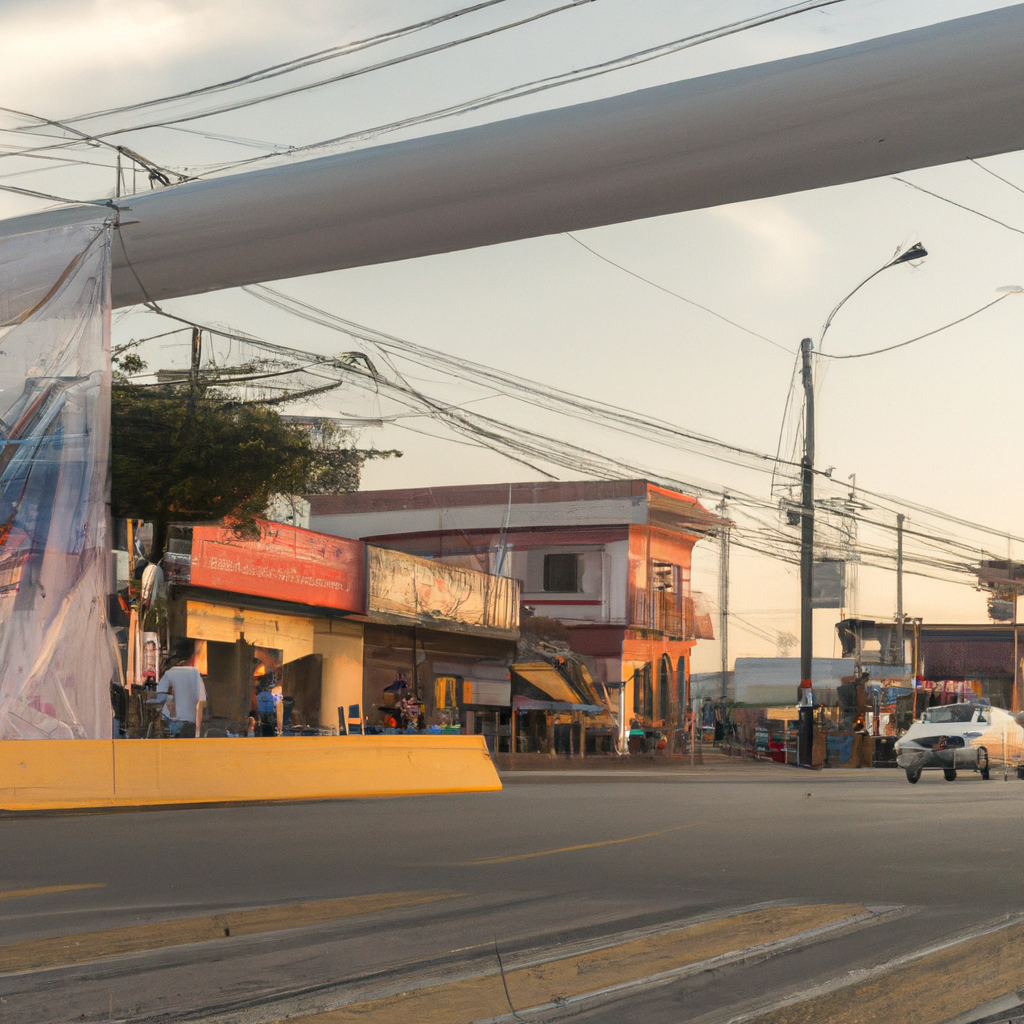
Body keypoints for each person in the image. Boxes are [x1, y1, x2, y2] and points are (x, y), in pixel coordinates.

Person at [157, 654, 207, 738]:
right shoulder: (195, 674)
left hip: (172, 718)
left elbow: (158, 695)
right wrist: (198, 730)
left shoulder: (170, 672)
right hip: (190, 720)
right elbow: (202, 701)